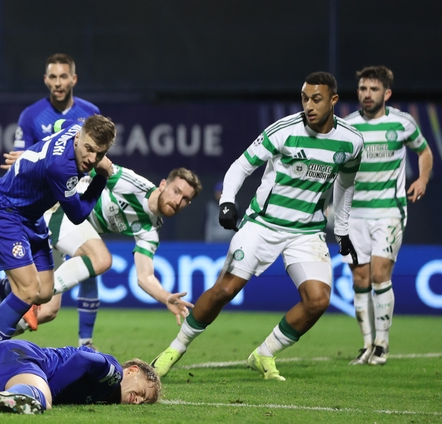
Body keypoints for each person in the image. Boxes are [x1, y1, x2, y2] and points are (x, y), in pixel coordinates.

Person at [151, 72, 364, 381]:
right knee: (225, 289)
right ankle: (175, 349)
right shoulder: (284, 130)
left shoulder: (352, 141)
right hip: (263, 224)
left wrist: (342, 230)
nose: (309, 105)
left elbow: (346, 185)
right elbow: (242, 164)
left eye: (316, 99)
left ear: (333, 100)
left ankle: (264, 353)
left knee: (318, 300)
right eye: (304, 98)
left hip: (307, 231)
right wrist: (228, 200)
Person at [0, 164, 202, 354]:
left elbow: (145, 276)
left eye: (186, 200)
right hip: (61, 208)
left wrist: (166, 297)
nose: (178, 201)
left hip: (74, 231)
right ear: (163, 185)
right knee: (100, 259)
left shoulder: (150, 230)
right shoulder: (133, 184)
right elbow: (100, 162)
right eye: (176, 191)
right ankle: (70, 334)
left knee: (48, 309)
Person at [0, 115, 115, 348]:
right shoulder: (62, 168)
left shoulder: (74, 127)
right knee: (28, 291)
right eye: (89, 149)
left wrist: (33, 157)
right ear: (78, 138)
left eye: (99, 154)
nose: (92, 159)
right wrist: (101, 176)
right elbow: (78, 214)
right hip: (4, 210)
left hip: (31, 215)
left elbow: (60, 124)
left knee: (44, 292)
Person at [0, 53, 102, 347]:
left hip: (77, 198)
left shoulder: (89, 112)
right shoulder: (32, 115)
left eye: (63, 77)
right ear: (46, 80)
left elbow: (98, 153)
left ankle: (86, 342)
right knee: (51, 289)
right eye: (53, 77)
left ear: (74, 79)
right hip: (49, 207)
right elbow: (20, 159)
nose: (58, 83)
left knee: (84, 272)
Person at [342, 66, 433, 366]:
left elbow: (425, 152)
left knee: (380, 274)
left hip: (388, 212)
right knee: (360, 277)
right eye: (362, 89)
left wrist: (421, 180)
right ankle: (366, 345)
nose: (367, 95)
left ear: (387, 94)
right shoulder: (348, 125)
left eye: (373, 89)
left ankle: (382, 343)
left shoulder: (403, 123)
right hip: (353, 214)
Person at [0, 339, 160, 414]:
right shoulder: (112, 375)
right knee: (40, 399)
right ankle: (21, 395)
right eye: (143, 393)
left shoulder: (107, 398)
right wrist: (49, 393)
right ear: (132, 371)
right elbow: (83, 359)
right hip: (23, 357)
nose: (138, 401)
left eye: (144, 402)